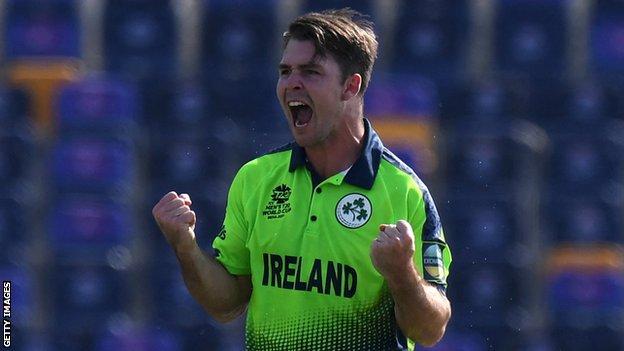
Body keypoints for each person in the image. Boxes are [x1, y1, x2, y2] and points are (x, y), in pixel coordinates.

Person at [152, 8, 452, 350]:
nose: (291, 83)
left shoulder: (405, 191)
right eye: (285, 71)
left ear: (350, 86)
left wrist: (402, 274)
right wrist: (185, 247)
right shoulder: (257, 178)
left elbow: (430, 330)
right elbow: (226, 304)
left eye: (310, 72)